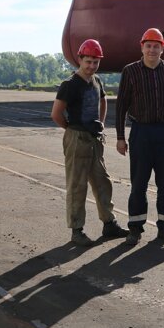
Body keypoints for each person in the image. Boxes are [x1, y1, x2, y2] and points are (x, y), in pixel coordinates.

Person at [116, 28, 164, 246]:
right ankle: (135, 229)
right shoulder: (130, 71)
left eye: (156, 46)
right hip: (140, 132)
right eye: (148, 45)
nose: (152, 50)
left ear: (162, 48)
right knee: (138, 183)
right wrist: (120, 137)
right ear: (142, 47)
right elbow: (121, 106)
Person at [51, 39, 128, 247]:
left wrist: (101, 123)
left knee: (103, 181)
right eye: (88, 62)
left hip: (94, 139)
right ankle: (77, 230)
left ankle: (109, 224)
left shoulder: (96, 81)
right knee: (77, 185)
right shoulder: (70, 85)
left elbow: (103, 100)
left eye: (95, 62)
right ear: (80, 60)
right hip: (77, 138)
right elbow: (56, 113)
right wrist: (71, 129)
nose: (92, 66)